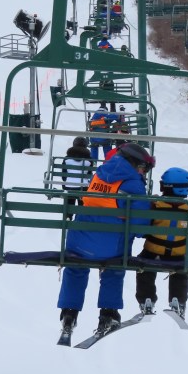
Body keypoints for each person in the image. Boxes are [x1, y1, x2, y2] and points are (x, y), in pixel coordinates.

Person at [57, 142, 155, 339]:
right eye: (143, 168)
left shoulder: (99, 175)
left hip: (79, 242)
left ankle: (69, 313)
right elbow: (140, 224)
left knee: (75, 267)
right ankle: (108, 313)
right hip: (111, 248)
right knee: (114, 268)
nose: (143, 173)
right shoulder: (133, 184)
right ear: (135, 163)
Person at [136, 167, 188, 319]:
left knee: (144, 270)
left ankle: (146, 300)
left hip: (152, 253)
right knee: (180, 272)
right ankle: (178, 302)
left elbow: (143, 228)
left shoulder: (156, 205)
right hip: (177, 256)